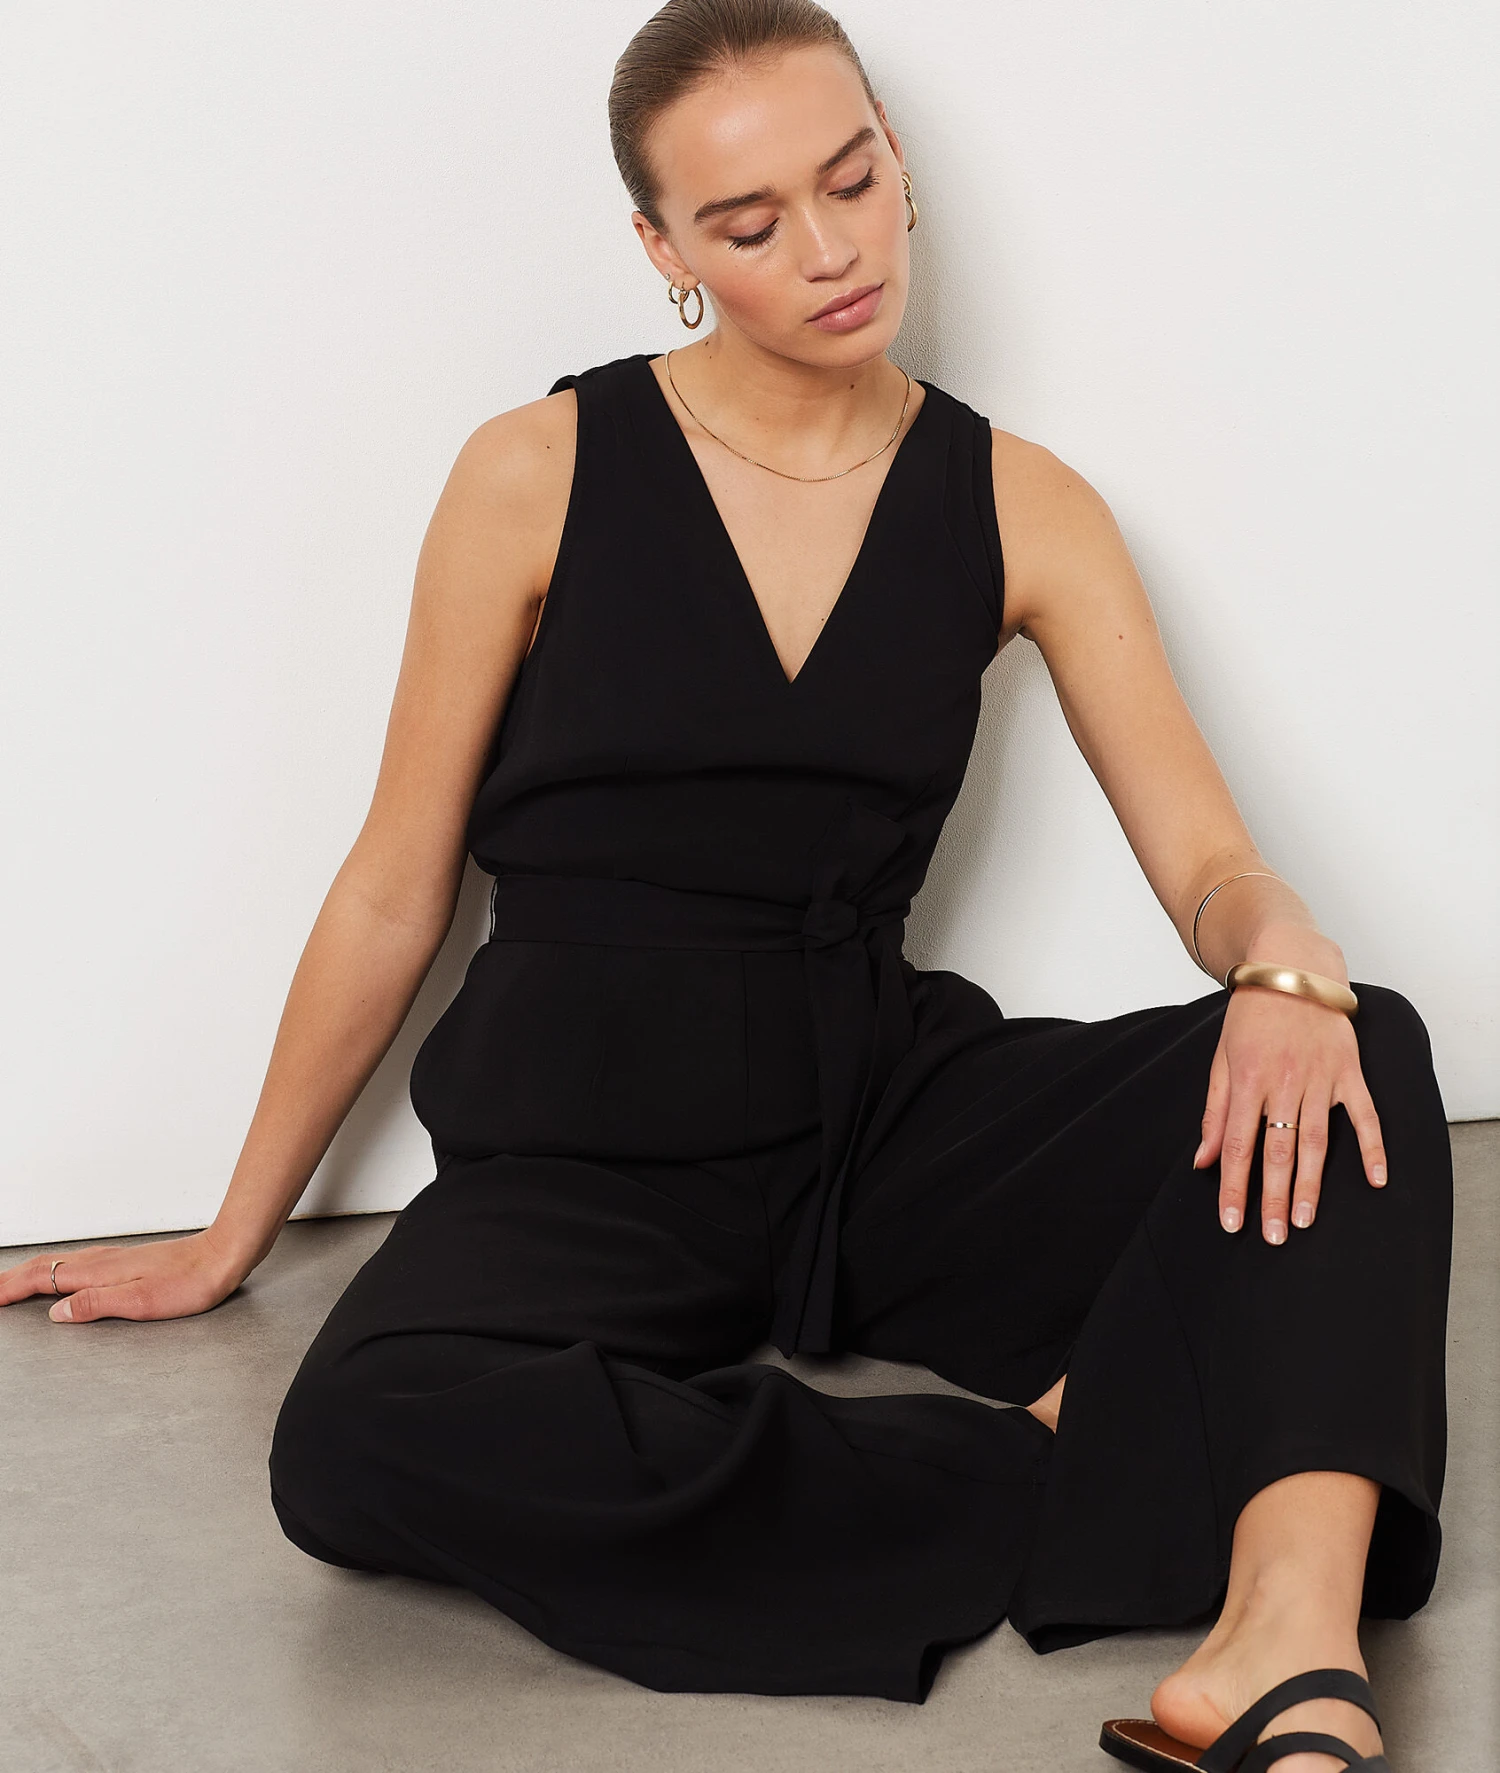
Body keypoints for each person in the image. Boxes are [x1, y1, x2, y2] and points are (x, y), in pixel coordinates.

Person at [2, 3, 1450, 1768]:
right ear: (663, 249)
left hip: (879, 1112)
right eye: (751, 224)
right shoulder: (533, 473)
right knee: (359, 1440)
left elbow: (1209, 865)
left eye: (850, 180)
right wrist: (237, 1230)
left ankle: (1287, 1641)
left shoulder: (1023, 502)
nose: (830, 251)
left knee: (1360, 1049)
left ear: (898, 162)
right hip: (582, 1142)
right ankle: (1076, 1461)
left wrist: (1279, 949)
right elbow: (394, 881)